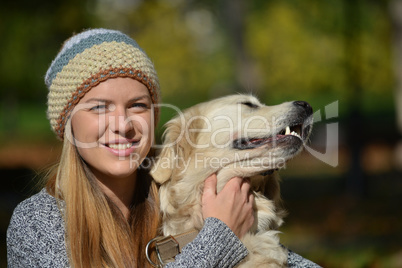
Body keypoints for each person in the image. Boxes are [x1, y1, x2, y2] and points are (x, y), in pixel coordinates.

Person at [7, 28, 321, 268]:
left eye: (137, 105)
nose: (123, 124)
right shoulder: (37, 222)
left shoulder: (177, 198)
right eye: (99, 107)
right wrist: (219, 237)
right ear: (68, 126)